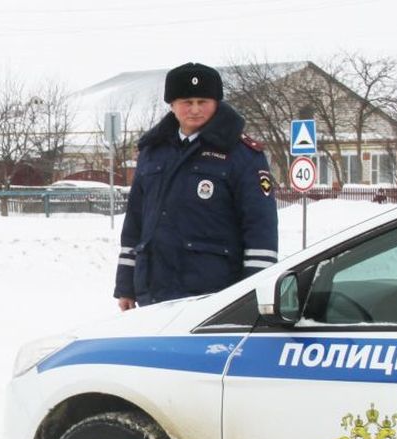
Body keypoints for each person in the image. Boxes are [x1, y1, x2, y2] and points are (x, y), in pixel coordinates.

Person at [113, 62, 278, 310]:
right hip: (154, 292)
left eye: (203, 101)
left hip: (214, 295)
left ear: (217, 103)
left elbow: (260, 228)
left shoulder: (242, 154)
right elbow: (135, 221)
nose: (195, 109)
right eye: (187, 102)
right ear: (172, 104)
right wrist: (126, 286)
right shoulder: (152, 151)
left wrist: (252, 293)